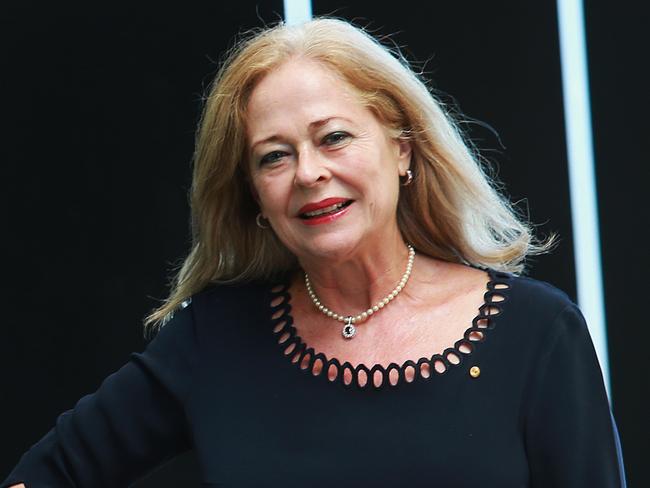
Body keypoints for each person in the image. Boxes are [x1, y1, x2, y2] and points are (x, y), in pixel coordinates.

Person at [3, 17, 625, 488]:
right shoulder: (214, 339)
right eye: (274, 155)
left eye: (334, 138)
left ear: (402, 149)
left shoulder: (535, 331)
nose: (308, 172)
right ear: (253, 195)